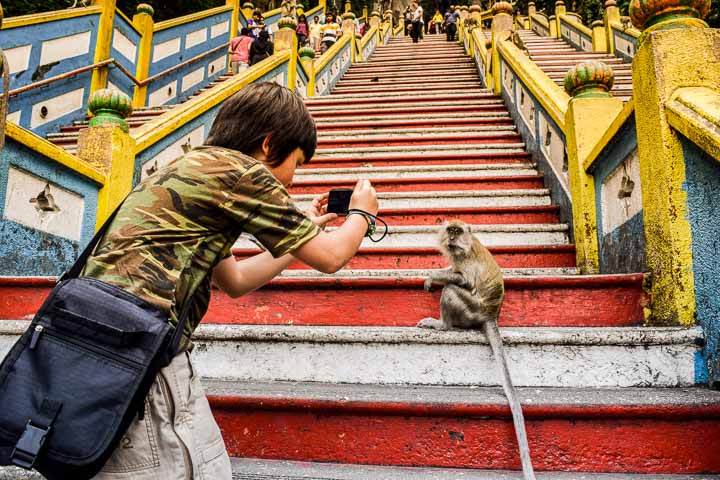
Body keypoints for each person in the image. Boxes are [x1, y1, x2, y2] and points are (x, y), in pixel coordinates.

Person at [87, 82, 379, 479]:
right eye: (295, 163)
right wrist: (363, 213)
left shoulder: (187, 168)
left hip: (121, 351)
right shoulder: (242, 174)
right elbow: (332, 257)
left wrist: (298, 238)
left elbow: (235, 279)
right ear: (268, 144)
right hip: (144, 364)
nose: (292, 180)